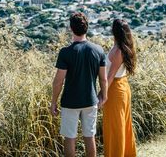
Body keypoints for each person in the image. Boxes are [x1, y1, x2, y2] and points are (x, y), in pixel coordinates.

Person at [51, 12, 107, 157]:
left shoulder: (65, 52)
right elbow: (103, 79)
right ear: (86, 28)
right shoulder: (98, 50)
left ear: (71, 28)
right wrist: (104, 96)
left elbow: (58, 82)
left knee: (70, 138)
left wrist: (53, 102)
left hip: (70, 102)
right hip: (90, 100)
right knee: (90, 136)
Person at [102, 19, 137, 157]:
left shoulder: (118, 51)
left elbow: (110, 77)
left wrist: (102, 95)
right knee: (122, 125)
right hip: (122, 86)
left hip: (115, 89)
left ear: (114, 31)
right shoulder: (123, 47)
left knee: (116, 127)